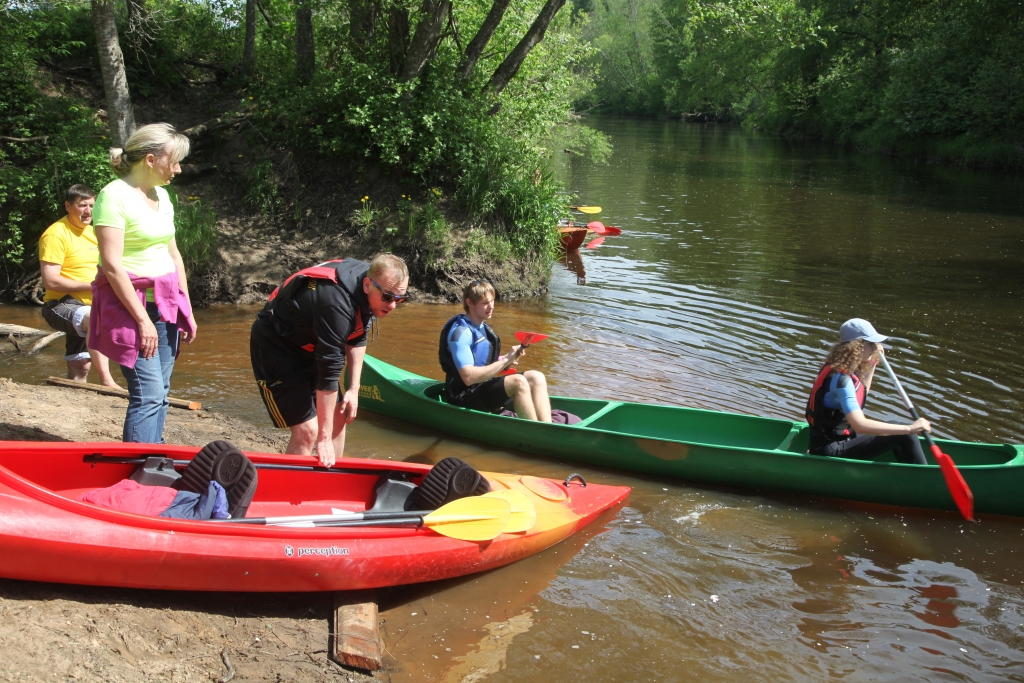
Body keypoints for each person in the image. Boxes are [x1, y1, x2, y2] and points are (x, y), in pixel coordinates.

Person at [89, 123, 197, 444]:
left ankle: (153, 455)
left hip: (165, 302)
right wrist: (141, 319)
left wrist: (185, 307)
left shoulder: (162, 196)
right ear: (150, 160)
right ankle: (138, 464)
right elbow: (112, 265)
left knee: (161, 391)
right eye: (173, 161)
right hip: (128, 305)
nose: (177, 169)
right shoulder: (113, 196)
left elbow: (174, 256)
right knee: (148, 393)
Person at [250, 254, 410, 465]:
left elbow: (358, 336)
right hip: (277, 348)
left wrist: (354, 390)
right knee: (308, 432)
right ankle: (291, 490)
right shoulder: (336, 306)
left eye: (400, 299)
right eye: (388, 298)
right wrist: (323, 438)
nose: (392, 306)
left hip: (313, 343)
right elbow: (329, 373)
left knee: (339, 415)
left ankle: (330, 481)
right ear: (366, 285)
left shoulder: (373, 282)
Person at [805, 318, 929, 464]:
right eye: (871, 344)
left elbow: (861, 394)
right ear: (857, 346)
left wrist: (873, 364)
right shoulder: (841, 380)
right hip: (831, 450)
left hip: (837, 440)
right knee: (905, 434)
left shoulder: (840, 368)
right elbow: (860, 425)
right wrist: (910, 428)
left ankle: (908, 470)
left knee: (898, 430)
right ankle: (922, 476)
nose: (875, 348)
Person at [438, 279, 552, 422]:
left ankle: (546, 428)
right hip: (462, 396)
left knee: (537, 377)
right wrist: (505, 360)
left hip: (480, 388)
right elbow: (468, 378)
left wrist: (507, 359)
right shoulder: (461, 333)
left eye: (492, 301)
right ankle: (534, 433)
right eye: (485, 303)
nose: (491, 306)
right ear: (470, 303)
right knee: (518, 381)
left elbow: (481, 364)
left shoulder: (481, 328)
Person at [38, 184, 117, 388]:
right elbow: (50, 280)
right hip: (59, 305)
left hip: (88, 306)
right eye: (82, 205)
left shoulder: (93, 232)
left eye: (92, 205)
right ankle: (107, 381)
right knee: (94, 318)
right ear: (68, 205)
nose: (88, 211)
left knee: (81, 368)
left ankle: (74, 392)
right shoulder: (55, 234)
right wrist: (91, 286)